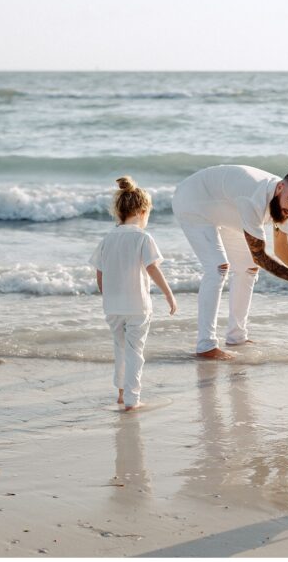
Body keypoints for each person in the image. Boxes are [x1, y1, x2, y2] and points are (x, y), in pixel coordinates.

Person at [172, 165, 288, 360]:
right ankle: (206, 345)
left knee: (248, 268)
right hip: (193, 202)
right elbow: (260, 256)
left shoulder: (285, 204)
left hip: (226, 210)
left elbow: (282, 249)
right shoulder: (254, 198)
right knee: (218, 268)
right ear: (280, 188)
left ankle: (236, 336)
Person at [90, 176, 177, 411]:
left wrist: (106, 294)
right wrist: (169, 294)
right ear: (141, 211)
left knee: (120, 348)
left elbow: (100, 273)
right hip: (138, 306)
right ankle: (132, 399)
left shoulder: (108, 239)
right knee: (135, 352)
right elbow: (152, 268)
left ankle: (120, 392)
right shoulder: (143, 238)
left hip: (113, 306)